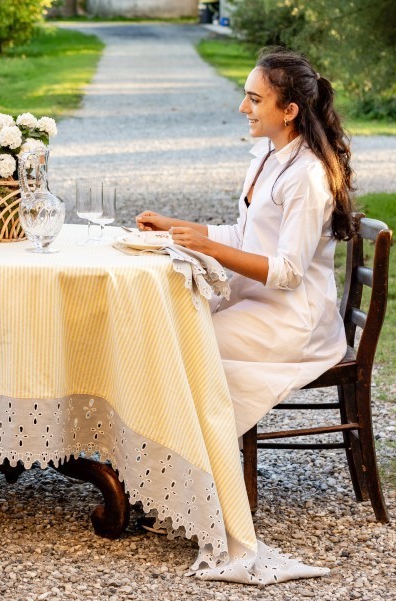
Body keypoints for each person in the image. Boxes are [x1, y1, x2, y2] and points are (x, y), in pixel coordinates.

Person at [136, 47, 355, 437]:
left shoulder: (307, 175)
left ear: (289, 111)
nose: (243, 107)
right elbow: (244, 235)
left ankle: (188, 468)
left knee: (181, 344)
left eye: (255, 99)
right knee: (164, 328)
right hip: (256, 303)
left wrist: (208, 249)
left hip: (292, 321)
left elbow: (288, 272)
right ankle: (162, 462)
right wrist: (174, 227)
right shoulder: (268, 156)